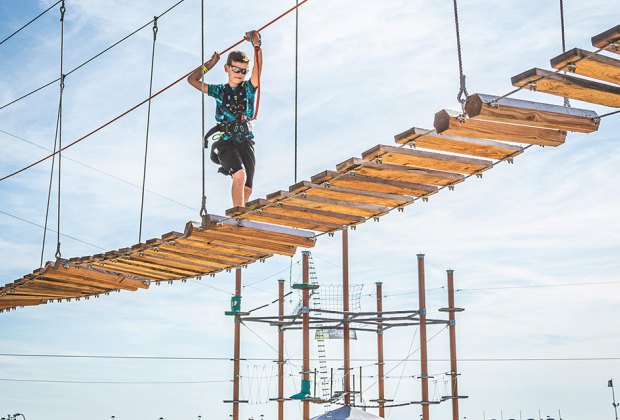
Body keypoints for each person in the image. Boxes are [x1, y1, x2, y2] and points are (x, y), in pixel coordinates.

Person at [187, 31, 263, 208]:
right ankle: (238, 216)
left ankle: (241, 212)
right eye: (235, 69)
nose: (239, 74)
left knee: (248, 188)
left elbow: (258, 69)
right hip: (226, 142)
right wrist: (209, 65)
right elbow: (192, 80)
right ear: (227, 68)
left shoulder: (248, 89)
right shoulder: (219, 91)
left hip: (245, 140)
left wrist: (257, 46)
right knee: (240, 175)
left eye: (243, 71)